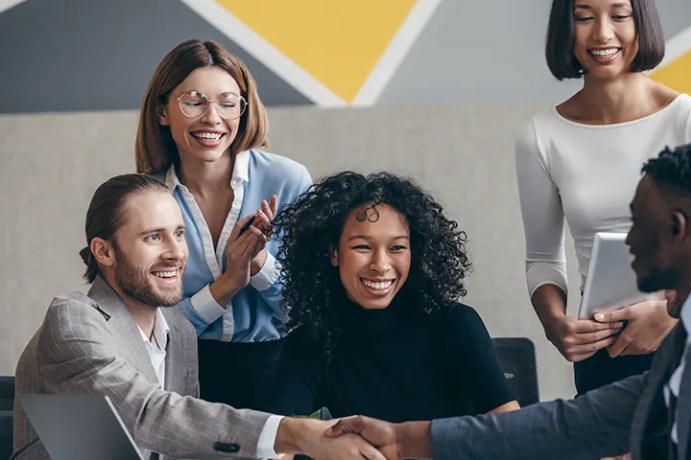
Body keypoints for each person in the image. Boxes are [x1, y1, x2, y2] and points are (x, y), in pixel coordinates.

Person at [328, 142, 691, 459]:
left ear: (676, 229)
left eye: (636, 224)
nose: (628, 240)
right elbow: (576, 424)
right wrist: (406, 440)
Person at [12, 174, 384, 460]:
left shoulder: (178, 331)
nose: (176, 253)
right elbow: (145, 414)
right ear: (104, 252)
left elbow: (181, 445)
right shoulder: (73, 320)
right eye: (153, 237)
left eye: (179, 234)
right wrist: (294, 432)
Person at [516, 0, 691, 395]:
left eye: (619, 14)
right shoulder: (540, 136)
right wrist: (555, 324)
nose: (602, 33)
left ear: (640, 21)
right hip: (606, 352)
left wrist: (672, 314)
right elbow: (542, 258)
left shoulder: (689, 118)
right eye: (584, 17)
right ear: (565, 26)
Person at [135, 39, 312, 410]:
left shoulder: (288, 181)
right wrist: (228, 284)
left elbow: (309, 311)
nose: (212, 118)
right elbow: (150, 329)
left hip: (281, 372)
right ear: (162, 112)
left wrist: (259, 264)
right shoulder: (146, 199)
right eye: (194, 101)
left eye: (228, 103)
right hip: (181, 378)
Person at [269, 172, 519, 423]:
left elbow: (513, 434)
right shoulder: (310, 342)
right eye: (362, 247)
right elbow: (279, 443)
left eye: (396, 247)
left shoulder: (455, 323)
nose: (380, 265)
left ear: (415, 251)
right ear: (334, 252)